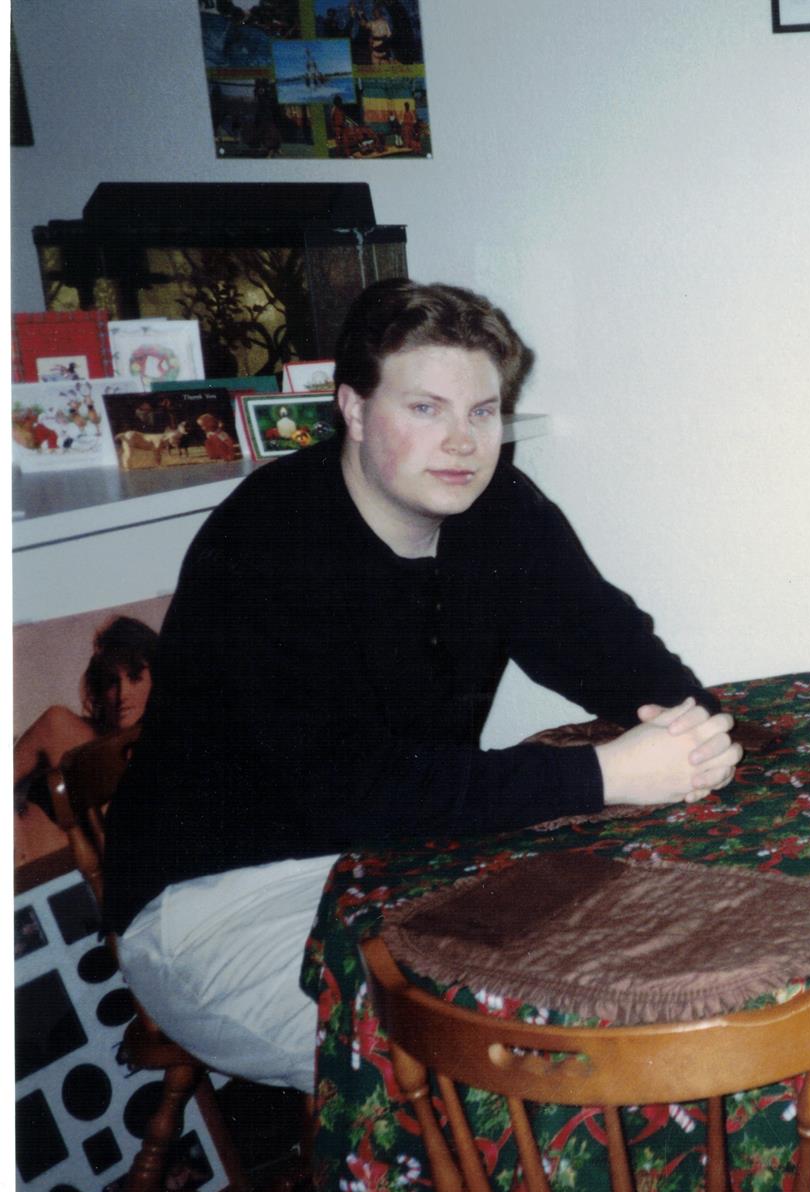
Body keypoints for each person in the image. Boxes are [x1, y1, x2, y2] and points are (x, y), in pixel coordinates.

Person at [106, 279, 740, 1093]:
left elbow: (606, 643)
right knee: (516, 1047)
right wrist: (605, 773)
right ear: (354, 409)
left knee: (636, 948)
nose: (462, 442)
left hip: (398, 857)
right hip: (219, 905)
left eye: (483, 412)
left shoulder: (496, 508)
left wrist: (694, 729)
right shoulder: (269, 545)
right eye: (425, 409)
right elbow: (352, 790)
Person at [14, 617, 159, 867]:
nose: (122, 694)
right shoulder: (60, 726)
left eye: (134, 677)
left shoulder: (164, 750)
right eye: (112, 681)